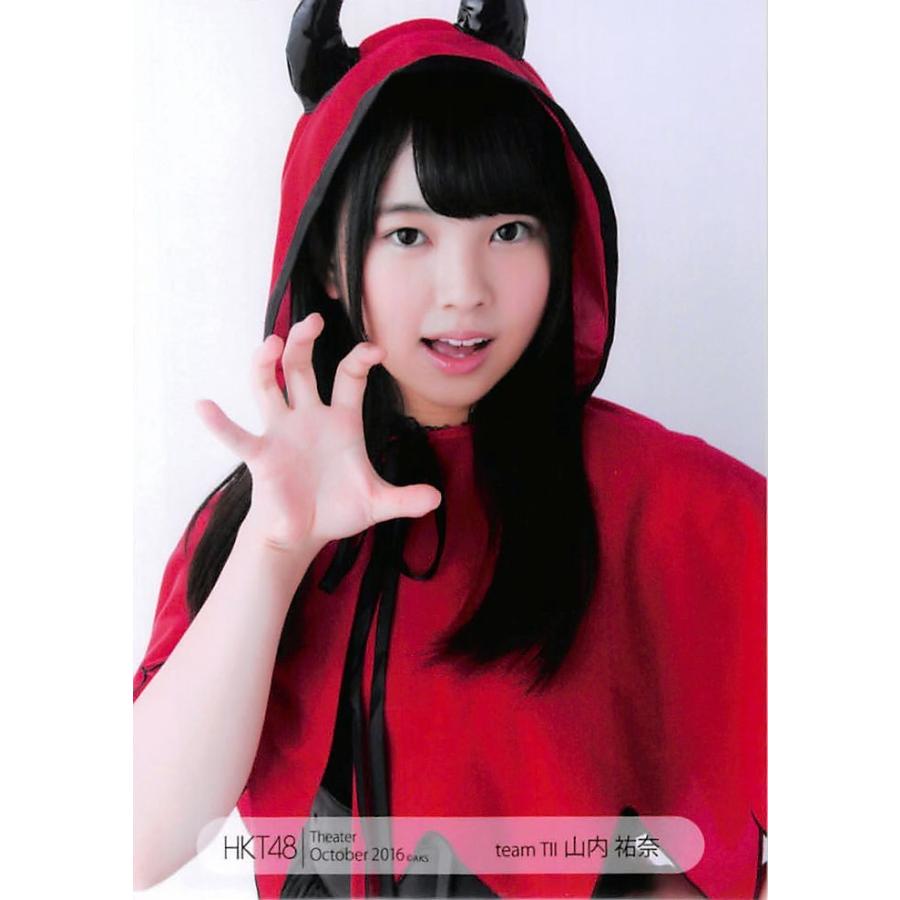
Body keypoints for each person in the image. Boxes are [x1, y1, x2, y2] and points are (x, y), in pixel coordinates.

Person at [133, 2, 766, 898]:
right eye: (408, 235)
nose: (465, 290)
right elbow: (138, 841)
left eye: (509, 231)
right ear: (328, 261)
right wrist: (274, 549)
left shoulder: (676, 503)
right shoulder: (260, 513)